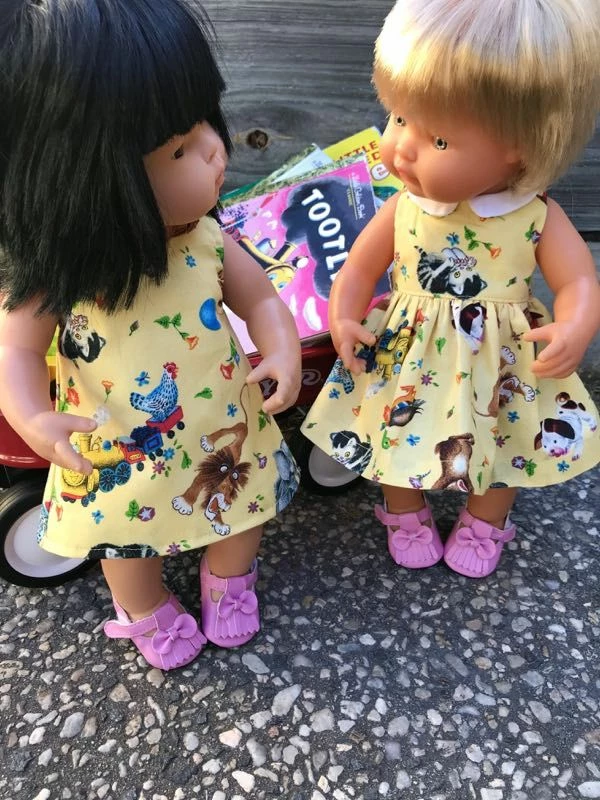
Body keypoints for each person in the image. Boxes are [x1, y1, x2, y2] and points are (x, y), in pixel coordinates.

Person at [0, 0, 302, 670]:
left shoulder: (206, 239)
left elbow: (260, 298)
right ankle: (142, 609)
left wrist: (280, 347)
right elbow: (14, 347)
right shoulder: (63, 275)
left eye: (205, 121)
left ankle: (229, 580)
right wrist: (32, 416)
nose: (216, 150)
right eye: (178, 149)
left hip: (224, 428)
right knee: (124, 544)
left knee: (243, 511)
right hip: (118, 446)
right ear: (78, 183)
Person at [301, 0, 600, 578]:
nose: (401, 148)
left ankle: (485, 520)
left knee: (505, 439)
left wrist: (576, 322)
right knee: (394, 431)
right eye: (398, 118)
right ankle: (404, 511)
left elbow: (578, 279)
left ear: (521, 145)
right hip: (407, 352)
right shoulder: (404, 207)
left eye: (437, 140)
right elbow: (357, 271)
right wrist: (344, 317)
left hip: (501, 359)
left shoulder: (533, 214)